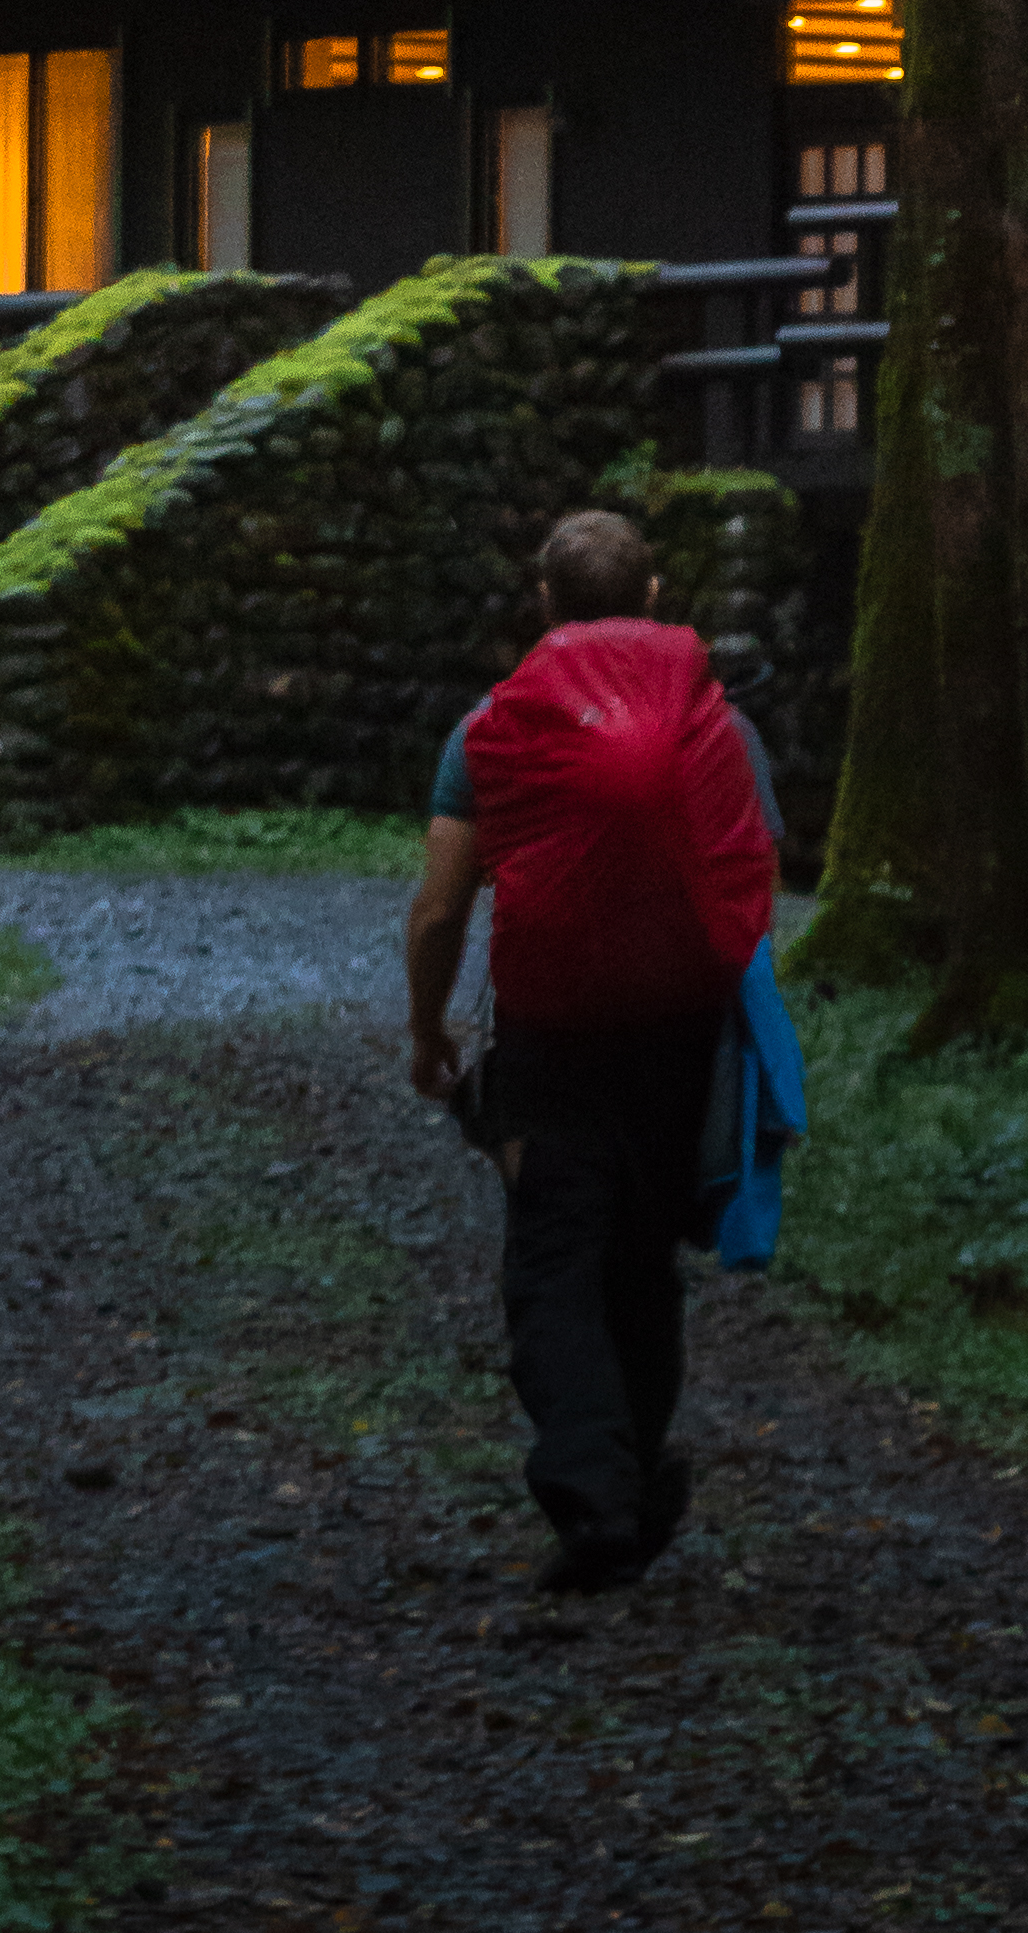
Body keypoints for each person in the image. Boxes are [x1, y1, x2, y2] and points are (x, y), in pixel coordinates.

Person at [405, 506, 782, 1593]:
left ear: (545, 605)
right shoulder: (718, 723)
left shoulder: (491, 725)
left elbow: (439, 909)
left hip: (552, 1032)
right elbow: (751, 867)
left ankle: (595, 1492)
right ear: (654, 599)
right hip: (680, 1028)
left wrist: (429, 1029)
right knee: (641, 1257)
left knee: (552, 1264)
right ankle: (631, 1471)